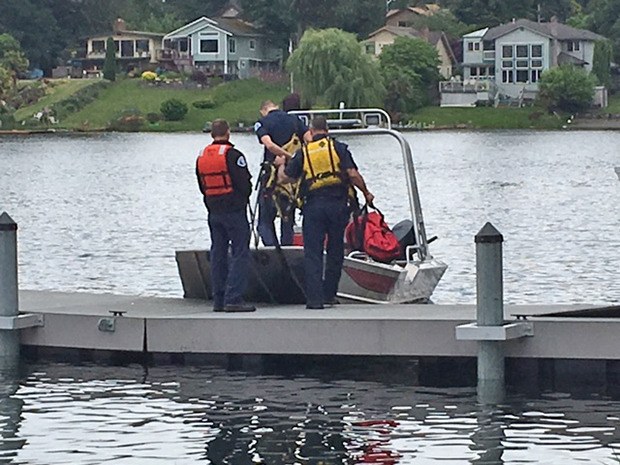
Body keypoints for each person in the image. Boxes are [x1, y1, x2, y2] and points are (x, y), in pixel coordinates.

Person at [280, 116, 374, 309]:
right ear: (327, 131)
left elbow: (285, 179)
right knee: (335, 250)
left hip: (313, 207)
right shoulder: (340, 148)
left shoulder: (303, 153)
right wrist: (366, 193)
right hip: (338, 206)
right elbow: (353, 175)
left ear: (312, 132)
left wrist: (280, 164)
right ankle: (329, 294)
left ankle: (314, 300)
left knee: (313, 252)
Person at [196, 119, 255, 313]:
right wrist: (240, 199)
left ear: (212, 134)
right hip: (234, 211)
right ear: (228, 133)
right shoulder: (233, 155)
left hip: (213, 211)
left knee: (218, 253)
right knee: (239, 253)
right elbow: (244, 184)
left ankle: (218, 300)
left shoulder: (202, 156)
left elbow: (201, 185)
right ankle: (234, 298)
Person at [254, 100, 310, 246]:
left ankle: (273, 252)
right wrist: (295, 159)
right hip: (291, 179)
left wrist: (285, 156)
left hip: (271, 179)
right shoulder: (295, 120)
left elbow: (269, 145)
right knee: (287, 221)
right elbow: (309, 139)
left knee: (264, 223)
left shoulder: (262, 122)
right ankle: (287, 252)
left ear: (263, 110)